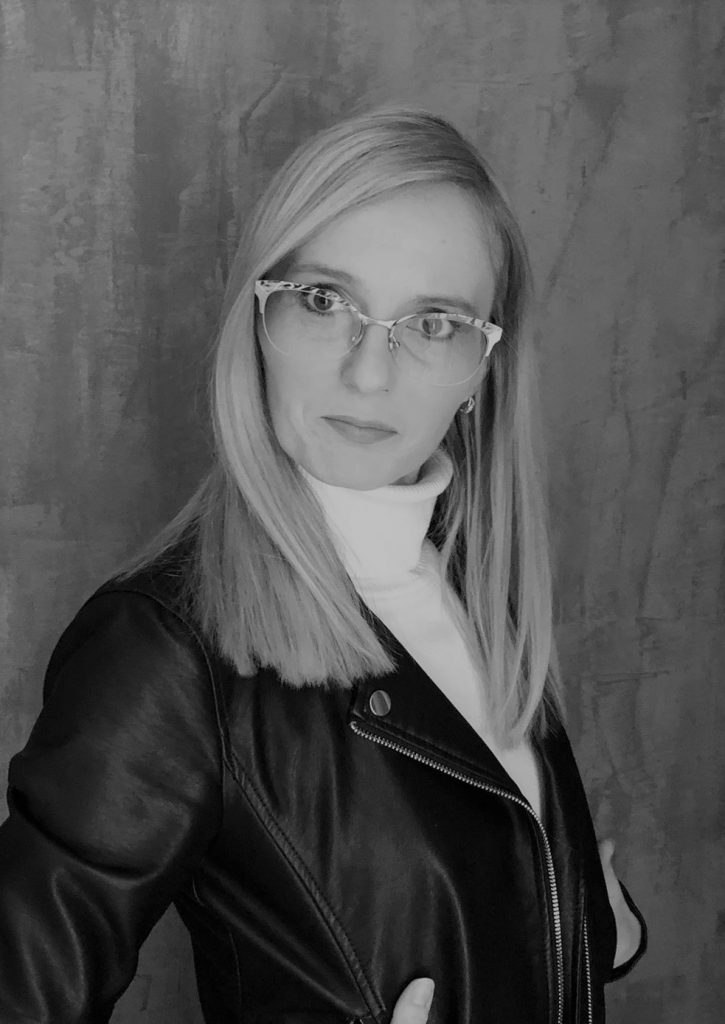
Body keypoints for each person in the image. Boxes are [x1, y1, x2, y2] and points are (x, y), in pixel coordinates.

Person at [0, 106, 647, 1023]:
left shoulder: (467, 579)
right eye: (322, 302)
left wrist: (587, 924)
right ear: (256, 319)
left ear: (481, 370)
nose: (368, 374)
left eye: (432, 322)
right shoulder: (161, 650)